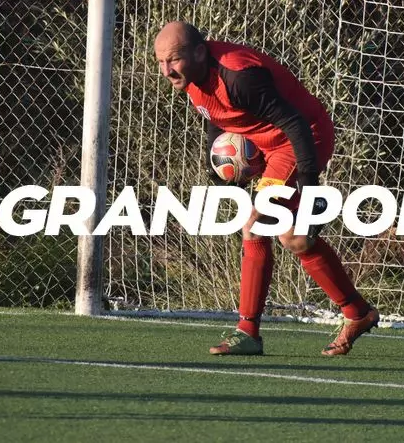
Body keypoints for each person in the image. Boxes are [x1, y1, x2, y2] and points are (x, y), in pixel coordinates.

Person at [154, 20, 378, 356]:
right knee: (295, 238)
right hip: (270, 144)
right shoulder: (191, 76)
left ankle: (248, 332)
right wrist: (217, 164)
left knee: (255, 225)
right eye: (160, 61)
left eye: (173, 59)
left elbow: (295, 123)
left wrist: (310, 191)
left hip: (302, 138)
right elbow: (216, 115)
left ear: (199, 52)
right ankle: (357, 312)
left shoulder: (240, 78)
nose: (166, 70)